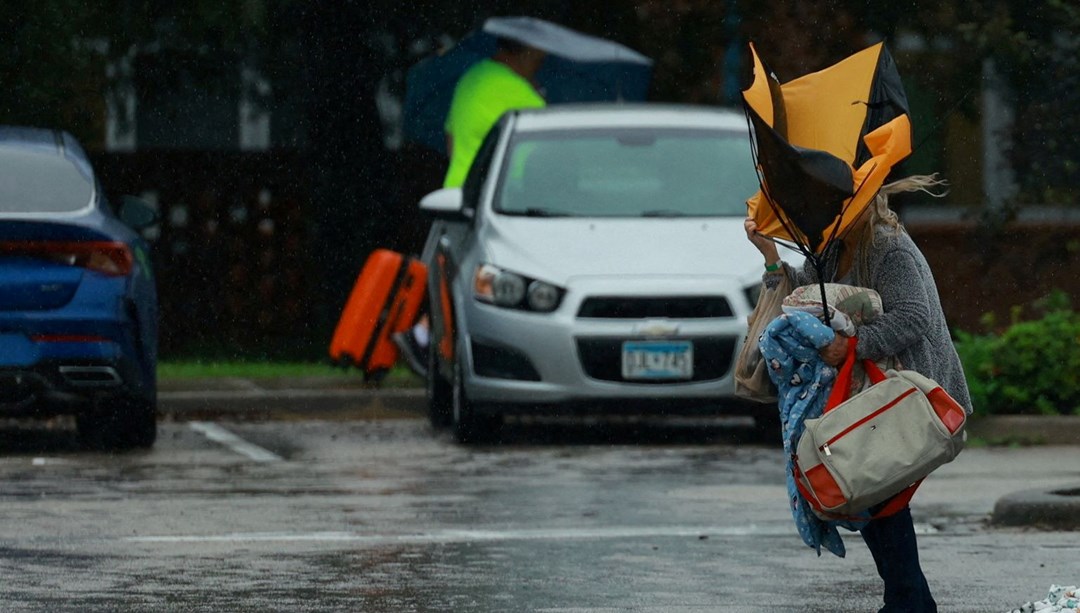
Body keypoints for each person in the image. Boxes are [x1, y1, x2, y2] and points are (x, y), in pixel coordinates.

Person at [744, 174, 973, 613]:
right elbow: (805, 298)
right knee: (867, 490)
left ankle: (908, 603)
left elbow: (913, 317)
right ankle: (911, 602)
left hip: (911, 394)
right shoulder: (826, 248)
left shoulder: (889, 246)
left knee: (877, 492)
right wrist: (771, 256)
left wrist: (851, 344)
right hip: (867, 394)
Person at [394, 37, 547, 376]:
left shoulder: (471, 78)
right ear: (527, 51)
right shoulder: (523, 96)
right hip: (497, 203)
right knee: (488, 283)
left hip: (455, 192)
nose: (542, 59)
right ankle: (436, 341)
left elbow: (450, 138)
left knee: (450, 275)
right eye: (539, 53)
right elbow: (542, 157)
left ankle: (425, 337)